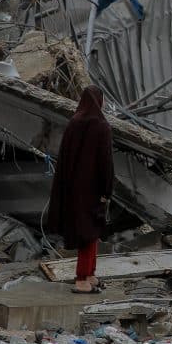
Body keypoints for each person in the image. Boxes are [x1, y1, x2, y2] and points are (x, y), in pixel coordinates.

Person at [47, 86, 114, 294]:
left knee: (89, 232)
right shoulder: (102, 126)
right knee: (89, 233)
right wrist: (107, 189)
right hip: (92, 190)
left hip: (71, 189)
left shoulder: (74, 122)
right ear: (99, 101)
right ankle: (82, 279)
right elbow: (106, 162)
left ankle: (90, 274)